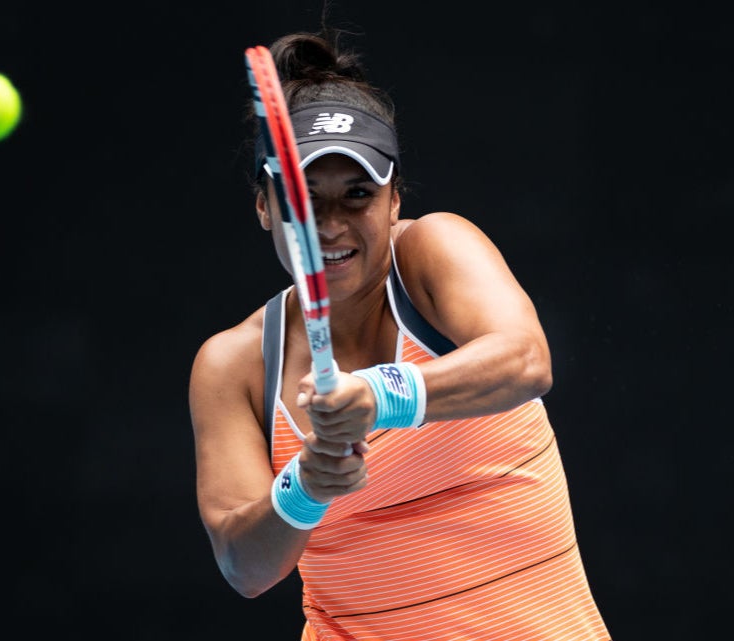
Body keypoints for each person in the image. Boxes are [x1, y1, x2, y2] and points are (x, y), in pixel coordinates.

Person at [189, 28, 612, 641]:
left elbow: (526, 360)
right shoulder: (233, 364)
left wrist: (379, 394)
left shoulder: (432, 252)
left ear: (394, 201)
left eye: (357, 195)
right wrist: (304, 487)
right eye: (304, 200)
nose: (330, 227)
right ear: (264, 207)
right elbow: (243, 566)